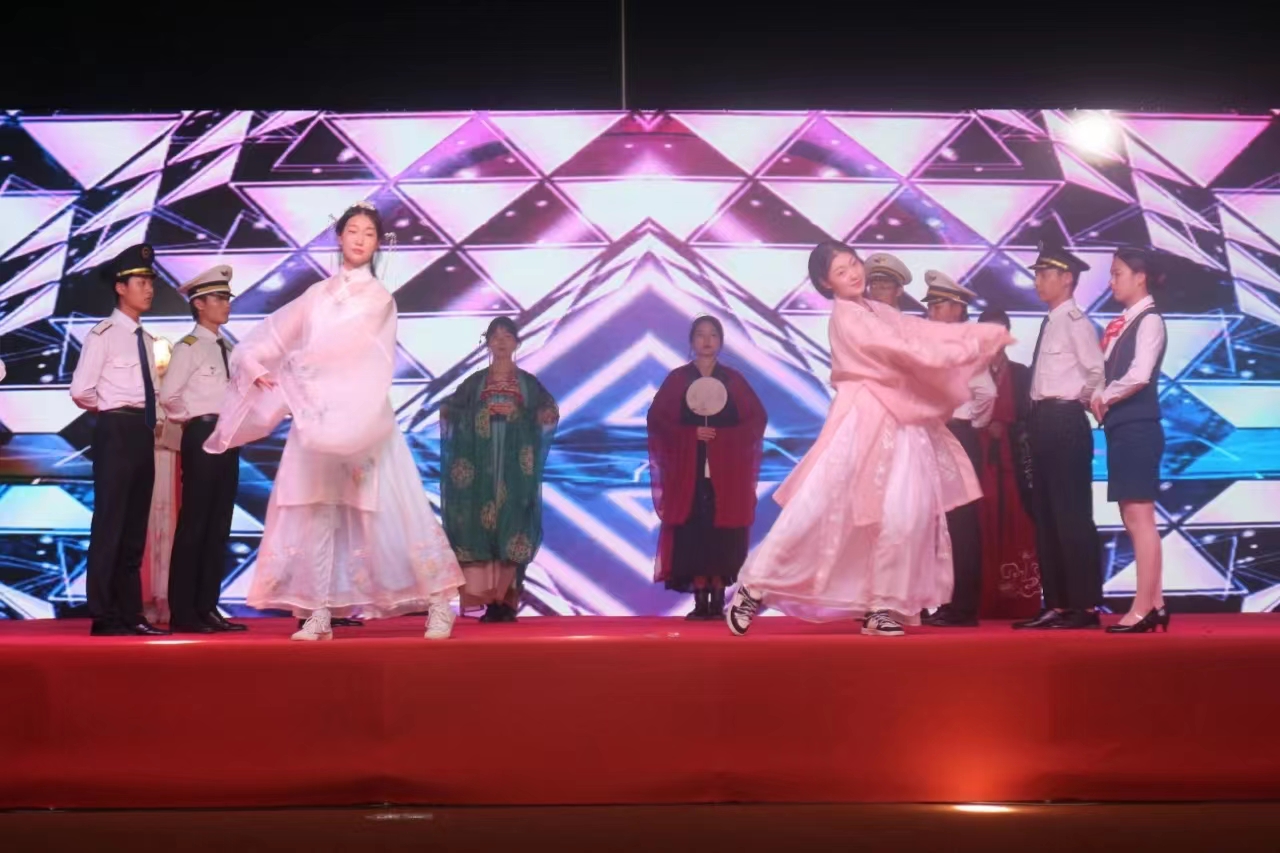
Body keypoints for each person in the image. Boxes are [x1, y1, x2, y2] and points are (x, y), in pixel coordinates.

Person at [203, 202, 465, 640]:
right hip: (316, 422)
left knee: (394, 512)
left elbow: (355, 355)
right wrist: (257, 366)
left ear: (378, 244)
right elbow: (270, 337)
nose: (360, 239)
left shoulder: (378, 299)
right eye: (353, 231)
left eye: (369, 233)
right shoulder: (316, 296)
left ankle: (440, 602)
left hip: (363, 420)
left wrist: (297, 368)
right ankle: (318, 612)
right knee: (317, 514)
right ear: (340, 237)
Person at [725, 241, 1012, 637]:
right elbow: (898, 349)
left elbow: (915, 334)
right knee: (817, 506)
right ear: (827, 283)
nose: (853, 273)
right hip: (863, 418)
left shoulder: (877, 310)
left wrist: (963, 342)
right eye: (841, 271)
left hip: (903, 423)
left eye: (853, 263)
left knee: (903, 515)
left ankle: (882, 605)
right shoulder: (847, 316)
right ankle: (754, 587)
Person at [69, 243, 169, 636]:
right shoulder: (104, 334)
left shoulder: (148, 339)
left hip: (142, 432)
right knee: (111, 522)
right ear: (120, 287)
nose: (149, 289)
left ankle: (131, 612)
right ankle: (104, 613)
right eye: (140, 282)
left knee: (134, 526)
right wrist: (113, 410)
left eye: (150, 282)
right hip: (116, 430)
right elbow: (81, 390)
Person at [647, 316, 767, 619]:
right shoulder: (678, 379)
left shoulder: (733, 380)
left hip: (725, 475)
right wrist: (691, 434)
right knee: (694, 533)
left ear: (721, 341)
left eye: (713, 335)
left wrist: (722, 439)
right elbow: (657, 420)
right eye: (701, 335)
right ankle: (700, 599)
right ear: (691, 341)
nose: (707, 340)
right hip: (689, 473)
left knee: (722, 534)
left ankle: (718, 598)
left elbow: (756, 420)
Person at [440, 317, 559, 623]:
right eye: (496, 336)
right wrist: (482, 412)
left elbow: (548, 412)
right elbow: (449, 410)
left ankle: (506, 600)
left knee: (513, 527)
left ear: (517, 343)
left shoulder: (529, 384)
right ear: (488, 343)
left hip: (515, 469)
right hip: (481, 470)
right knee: (483, 528)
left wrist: (519, 414)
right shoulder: (474, 383)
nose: (502, 341)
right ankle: (490, 600)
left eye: (507, 336)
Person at [1016, 243, 1105, 630]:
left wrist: (1074, 403)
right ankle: (1056, 602)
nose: (1038, 281)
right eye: (1036, 274)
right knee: (1047, 515)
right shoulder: (1051, 320)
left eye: (1044, 274)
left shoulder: (1075, 321)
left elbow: (1096, 373)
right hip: (1041, 421)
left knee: (1072, 515)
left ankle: (1083, 605)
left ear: (1067, 278)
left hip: (1064, 419)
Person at [161, 265, 247, 633]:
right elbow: (169, 396)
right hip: (203, 434)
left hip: (229, 435)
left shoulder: (229, 348)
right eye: (220, 298)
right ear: (199, 304)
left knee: (219, 524)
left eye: (227, 298)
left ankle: (207, 606)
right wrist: (197, 419)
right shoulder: (189, 347)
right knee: (195, 523)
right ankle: (184, 612)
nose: (227, 304)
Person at [1093, 247, 1169, 634]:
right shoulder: (1124, 323)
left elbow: (1139, 374)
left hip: (1138, 427)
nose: (1111, 281)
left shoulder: (1149, 320)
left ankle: (1142, 609)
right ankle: (1155, 603)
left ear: (1140, 277)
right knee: (1133, 517)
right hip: (1124, 428)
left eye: (1117, 273)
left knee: (1140, 518)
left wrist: (1103, 397)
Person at [919, 271, 997, 628]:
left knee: (961, 523)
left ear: (958, 309)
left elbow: (987, 394)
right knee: (937, 523)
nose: (933, 312)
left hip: (957, 435)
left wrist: (966, 421)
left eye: (939, 305)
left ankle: (964, 606)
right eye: (931, 305)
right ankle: (941, 601)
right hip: (933, 436)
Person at [972, 308, 1042, 620]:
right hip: (978, 462)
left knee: (1019, 523)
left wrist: (1008, 427)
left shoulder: (1021, 373)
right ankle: (981, 599)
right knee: (980, 525)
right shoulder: (968, 372)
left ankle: (1018, 601)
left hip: (1014, 464)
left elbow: (1031, 416)